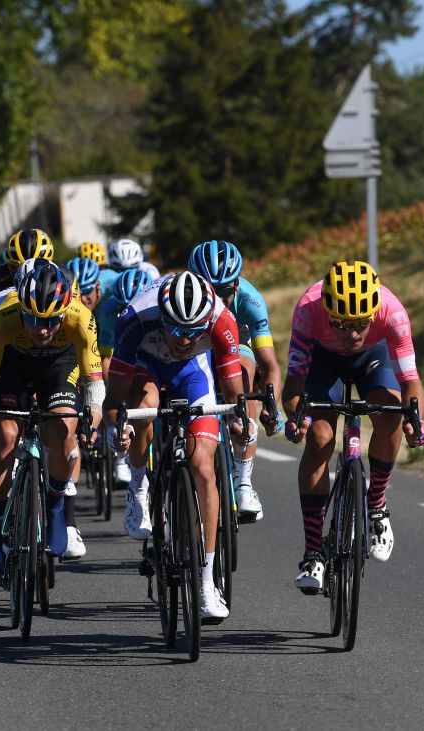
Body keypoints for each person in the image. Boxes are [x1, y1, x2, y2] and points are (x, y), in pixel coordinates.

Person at [104, 271, 248, 621]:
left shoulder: (220, 318)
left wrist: (241, 420)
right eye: (177, 330)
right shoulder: (135, 319)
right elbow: (114, 400)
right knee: (144, 403)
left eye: (193, 331)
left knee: (202, 467)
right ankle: (139, 485)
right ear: (162, 317)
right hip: (146, 367)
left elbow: (233, 394)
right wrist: (117, 428)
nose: (184, 339)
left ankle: (206, 581)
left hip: (193, 373)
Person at [283, 260, 424, 593]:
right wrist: (297, 418)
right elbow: (293, 386)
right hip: (323, 363)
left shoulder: (392, 312)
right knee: (320, 437)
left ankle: (376, 504)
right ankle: (313, 552)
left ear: (373, 312)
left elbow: (411, 381)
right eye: (341, 324)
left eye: (360, 324)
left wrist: (417, 420)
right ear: (327, 311)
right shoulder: (308, 309)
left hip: (372, 360)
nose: (351, 334)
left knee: (391, 413)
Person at [0, 260, 104, 577]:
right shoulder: (2, 318)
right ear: (21, 310)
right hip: (12, 364)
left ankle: (57, 508)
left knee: (61, 429)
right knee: (3, 437)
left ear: (64, 312)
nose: (41, 329)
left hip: (59, 364)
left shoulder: (80, 318)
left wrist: (93, 421)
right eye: (32, 320)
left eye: (50, 321)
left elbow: (94, 380)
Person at [188, 239, 282, 521]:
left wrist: (271, 406)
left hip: (236, 337)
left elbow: (270, 366)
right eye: (211, 291)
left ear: (237, 285)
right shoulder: (184, 297)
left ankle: (243, 483)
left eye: (226, 291)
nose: (219, 299)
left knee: (245, 373)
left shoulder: (251, 302)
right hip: (196, 337)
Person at [96, 267, 153, 482]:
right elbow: (107, 357)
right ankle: (121, 456)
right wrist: (115, 388)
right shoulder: (109, 311)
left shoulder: (156, 310)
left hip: (149, 355)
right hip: (122, 354)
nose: (128, 312)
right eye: (123, 307)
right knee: (121, 394)